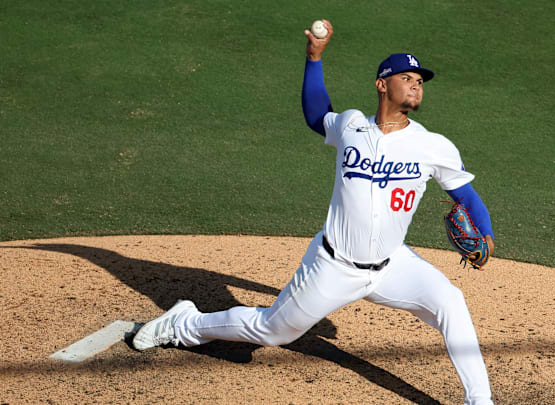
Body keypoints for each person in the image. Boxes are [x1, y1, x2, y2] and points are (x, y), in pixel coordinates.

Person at [133, 20, 496, 404]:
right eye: (406, 77)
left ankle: (480, 401)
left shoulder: (433, 146)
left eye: (420, 80)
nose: (416, 84)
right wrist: (314, 59)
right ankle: (185, 323)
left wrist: (486, 235)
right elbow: (315, 115)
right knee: (272, 331)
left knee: (450, 302)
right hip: (332, 266)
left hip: (393, 266)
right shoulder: (352, 125)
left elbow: (467, 197)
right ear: (382, 84)